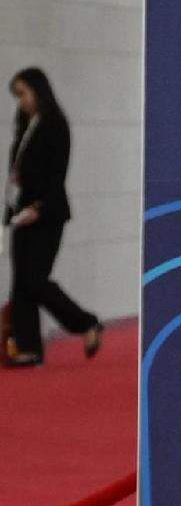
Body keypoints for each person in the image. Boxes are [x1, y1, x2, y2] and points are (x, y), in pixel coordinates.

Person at [5, 67, 100, 369]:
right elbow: (17, 174)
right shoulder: (25, 125)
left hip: (47, 214)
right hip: (20, 214)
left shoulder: (55, 124)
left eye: (23, 93)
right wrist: (12, 211)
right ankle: (28, 348)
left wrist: (39, 207)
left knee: (35, 280)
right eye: (17, 96)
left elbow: (56, 174)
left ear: (38, 90)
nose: (21, 101)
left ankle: (86, 322)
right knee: (21, 283)